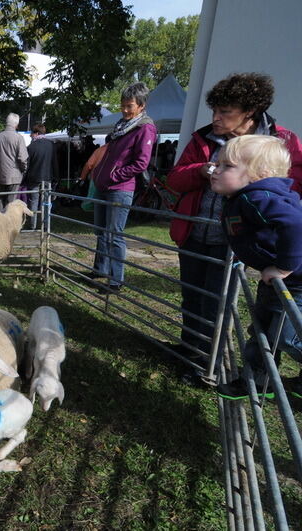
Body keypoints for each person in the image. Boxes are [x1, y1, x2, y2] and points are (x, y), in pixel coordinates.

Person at [168, 72, 302, 357]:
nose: (216, 118)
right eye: (214, 110)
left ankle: (208, 359)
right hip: (196, 230)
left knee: (217, 301)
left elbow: (292, 192)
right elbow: (175, 180)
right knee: (192, 295)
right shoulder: (202, 139)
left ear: (249, 112)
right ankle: (190, 348)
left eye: (225, 112)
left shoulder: (280, 143)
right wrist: (200, 171)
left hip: (238, 241)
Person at [210, 136, 302, 400]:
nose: (216, 169)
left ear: (258, 175)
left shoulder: (257, 197)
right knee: (261, 331)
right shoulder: (244, 197)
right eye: (217, 163)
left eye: (226, 166)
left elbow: (296, 225)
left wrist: (284, 267)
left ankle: (261, 378)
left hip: (295, 281)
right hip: (275, 280)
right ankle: (259, 380)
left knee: (287, 336)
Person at [91, 82, 157, 293]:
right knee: (101, 231)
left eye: (130, 106)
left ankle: (115, 280)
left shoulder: (145, 128)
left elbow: (141, 163)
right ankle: (100, 269)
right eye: (123, 105)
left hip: (121, 188)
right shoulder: (121, 126)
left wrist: (114, 176)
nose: (125, 109)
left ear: (141, 106)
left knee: (114, 234)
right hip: (103, 185)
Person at [0, 113, 28, 212]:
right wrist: (24, 169)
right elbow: (23, 159)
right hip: (15, 175)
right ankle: (8, 225)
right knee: (11, 202)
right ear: (16, 124)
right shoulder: (19, 138)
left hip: (0, 174)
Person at [22, 124, 57, 229]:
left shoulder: (31, 147)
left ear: (36, 133)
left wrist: (24, 179)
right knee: (46, 203)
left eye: (32, 133)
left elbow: (27, 165)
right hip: (48, 178)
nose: (30, 136)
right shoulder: (51, 145)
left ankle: (33, 225)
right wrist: (56, 177)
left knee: (33, 202)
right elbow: (55, 163)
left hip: (34, 179)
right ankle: (46, 225)